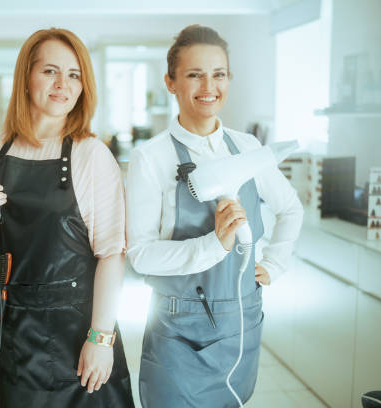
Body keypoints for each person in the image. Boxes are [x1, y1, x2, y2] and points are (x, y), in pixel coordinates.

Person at [125, 25, 303, 407]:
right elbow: (139, 254)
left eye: (218, 74)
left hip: (240, 321)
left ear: (228, 79)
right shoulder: (150, 158)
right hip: (178, 333)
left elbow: (290, 208)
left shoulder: (248, 148)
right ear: (171, 82)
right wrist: (213, 244)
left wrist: (273, 264)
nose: (209, 85)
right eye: (194, 74)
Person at [0, 28, 134, 408]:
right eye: (50, 71)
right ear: (26, 78)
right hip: (16, 334)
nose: (62, 84)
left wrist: (101, 338)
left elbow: (111, 254)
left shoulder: (92, 155)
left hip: (80, 333)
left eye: (74, 74)